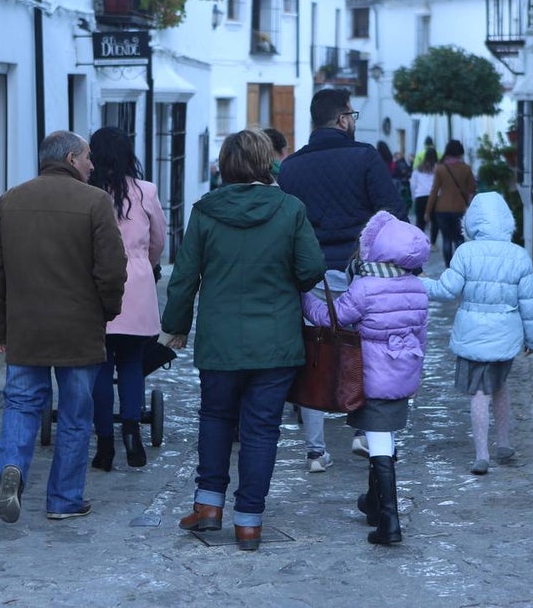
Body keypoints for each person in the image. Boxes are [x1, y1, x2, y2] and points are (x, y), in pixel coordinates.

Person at [161, 128, 325, 551]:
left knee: (216, 418)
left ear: (226, 165)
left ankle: (209, 505)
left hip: (219, 341)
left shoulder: (205, 211)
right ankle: (249, 521)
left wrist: (176, 327)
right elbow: (311, 269)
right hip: (275, 343)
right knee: (261, 429)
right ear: (267, 162)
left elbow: (184, 278)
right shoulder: (291, 209)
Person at [0, 131, 127, 523]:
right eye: (88, 157)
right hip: (79, 329)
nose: (93, 165)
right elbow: (111, 270)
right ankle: (63, 500)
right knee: (77, 415)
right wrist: (108, 311)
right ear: (73, 158)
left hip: (26, 327)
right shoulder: (96, 202)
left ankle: (12, 469)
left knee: (22, 405)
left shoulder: (12, 200)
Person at [278, 88, 406, 472]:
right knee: (366, 352)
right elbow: (392, 212)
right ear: (342, 119)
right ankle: (363, 432)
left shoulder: (292, 167)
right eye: (352, 114)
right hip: (361, 271)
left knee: (315, 356)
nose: (354, 121)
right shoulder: (365, 157)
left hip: (311, 274)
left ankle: (316, 452)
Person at [301, 211, 429, 545]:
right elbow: (422, 336)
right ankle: (375, 504)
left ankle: (389, 521)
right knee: (383, 435)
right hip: (403, 372)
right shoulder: (417, 287)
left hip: (372, 374)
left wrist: (305, 301)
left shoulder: (365, 288)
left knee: (379, 440)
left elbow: (334, 319)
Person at [422, 192, 533, 475]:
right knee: (499, 387)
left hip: (473, 335)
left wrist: (421, 283)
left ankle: (482, 454)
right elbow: (530, 304)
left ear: (472, 221)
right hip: (505, 336)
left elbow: (447, 290)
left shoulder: (466, 252)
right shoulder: (519, 255)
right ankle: (504, 443)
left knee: (478, 392)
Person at [87, 127, 166, 471]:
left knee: (101, 367)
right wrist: (143, 266)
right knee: (132, 364)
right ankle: (132, 435)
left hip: (94, 284)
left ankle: (105, 443)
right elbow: (159, 240)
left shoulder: (86, 194)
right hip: (136, 283)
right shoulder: (146, 191)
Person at [425, 139, 477, 268]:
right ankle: (460, 266)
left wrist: (427, 211)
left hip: (442, 209)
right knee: (459, 238)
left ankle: (448, 267)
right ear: (460, 152)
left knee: (446, 239)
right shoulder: (466, 168)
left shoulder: (441, 169)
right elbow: (473, 187)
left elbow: (434, 191)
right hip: (460, 208)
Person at [410, 147, 439, 247]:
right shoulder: (438, 169)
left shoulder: (418, 168)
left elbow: (413, 184)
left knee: (420, 221)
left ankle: (420, 243)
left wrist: (414, 197)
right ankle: (433, 243)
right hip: (434, 197)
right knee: (435, 221)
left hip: (420, 196)